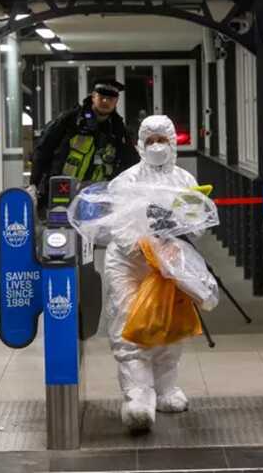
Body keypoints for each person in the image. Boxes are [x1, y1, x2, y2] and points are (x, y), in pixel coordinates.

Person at [104, 115, 199, 432]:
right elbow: (119, 227)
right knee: (131, 324)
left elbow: (196, 223)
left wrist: (178, 242)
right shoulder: (125, 182)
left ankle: (167, 388)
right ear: (140, 145)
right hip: (130, 264)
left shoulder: (185, 181)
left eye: (162, 140)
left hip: (168, 265)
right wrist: (147, 248)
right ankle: (137, 399)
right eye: (150, 140)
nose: (157, 146)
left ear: (173, 143)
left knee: (169, 325)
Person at [29, 78, 137, 208]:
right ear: (93, 97)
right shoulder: (70, 120)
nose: (105, 101)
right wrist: (34, 184)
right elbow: (43, 149)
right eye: (101, 96)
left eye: (110, 99)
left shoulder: (118, 130)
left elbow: (131, 163)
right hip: (61, 191)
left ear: (116, 102)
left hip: (96, 199)